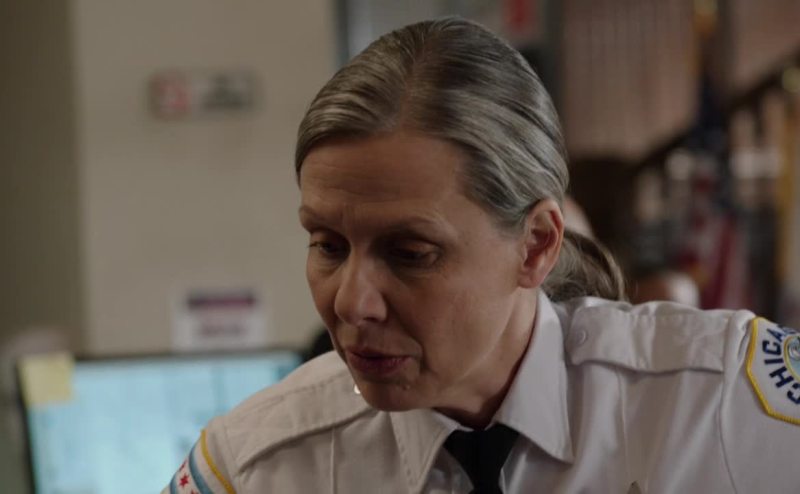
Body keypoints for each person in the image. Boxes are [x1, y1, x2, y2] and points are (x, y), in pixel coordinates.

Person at [163, 17, 799, 493]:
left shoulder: (722, 406)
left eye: (410, 253)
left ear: (536, 244)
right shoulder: (257, 467)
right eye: (328, 245)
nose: (352, 302)